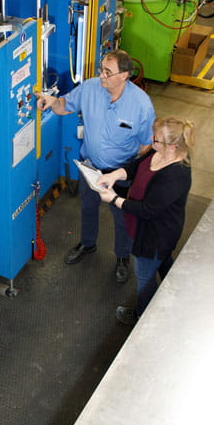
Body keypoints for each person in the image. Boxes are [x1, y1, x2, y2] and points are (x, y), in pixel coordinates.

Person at [36, 49, 154, 283]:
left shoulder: (141, 105)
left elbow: (146, 146)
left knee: (121, 217)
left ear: (124, 76)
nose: (102, 76)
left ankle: (122, 258)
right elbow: (65, 105)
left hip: (120, 173)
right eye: (101, 69)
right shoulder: (90, 88)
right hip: (90, 166)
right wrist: (52, 102)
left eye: (108, 72)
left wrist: (128, 173)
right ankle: (88, 244)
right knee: (87, 208)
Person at [95, 117, 194, 325]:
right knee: (164, 263)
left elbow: (148, 210)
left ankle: (143, 316)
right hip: (140, 225)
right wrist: (114, 176)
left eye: (156, 139)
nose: (152, 140)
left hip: (154, 236)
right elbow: (135, 166)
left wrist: (114, 199)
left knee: (145, 277)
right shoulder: (157, 152)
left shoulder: (176, 175)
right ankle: (175, 296)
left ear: (172, 146)